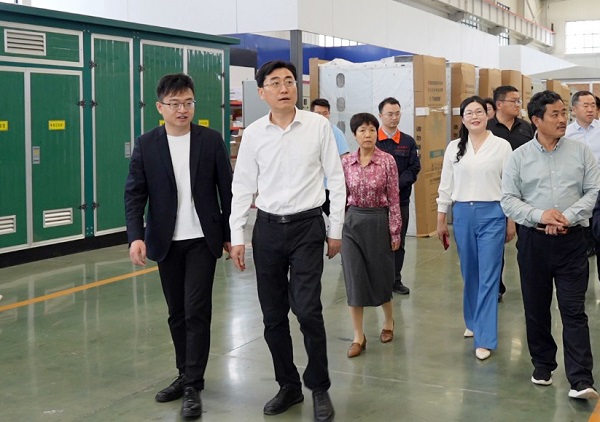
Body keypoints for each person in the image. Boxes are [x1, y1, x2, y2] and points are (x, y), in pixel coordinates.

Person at [229, 60, 345, 422]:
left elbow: (336, 179)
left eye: (290, 81)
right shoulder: (253, 134)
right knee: (273, 315)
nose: (284, 88)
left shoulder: (317, 126)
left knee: (308, 310)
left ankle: (319, 387)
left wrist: (335, 229)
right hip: (266, 230)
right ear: (262, 92)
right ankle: (288, 386)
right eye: (276, 83)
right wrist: (236, 236)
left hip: (307, 227)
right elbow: (242, 187)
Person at [124, 73, 233, 418]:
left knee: (196, 310)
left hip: (202, 238)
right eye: (174, 104)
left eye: (188, 102)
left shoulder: (210, 140)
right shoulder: (147, 144)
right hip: (165, 240)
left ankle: (192, 386)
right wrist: (135, 236)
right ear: (160, 107)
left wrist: (231, 234)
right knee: (177, 313)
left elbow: (227, 190)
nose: (182, 109)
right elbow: (134, 193)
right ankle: (184, 373)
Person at [501, 90, 600, 400]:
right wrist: (540, 215)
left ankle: (581, 379)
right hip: (534, 242)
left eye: (563, 113)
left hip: (573, 241)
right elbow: (508, 199)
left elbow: (593, 191)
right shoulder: (518, 157)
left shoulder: (581, 152)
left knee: (574, 310)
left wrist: (566, 216)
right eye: (554, 114)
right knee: (536, 308)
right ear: (536, 120)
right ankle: (543, 365)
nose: (562, 119)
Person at [436, 96, 513, 361]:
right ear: (463, 118)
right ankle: (472, 320)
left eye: (479, 111)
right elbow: (445, 185)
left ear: (488, 114)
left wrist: (510, 219)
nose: (475, 116)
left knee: (489, 275)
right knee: (470, 272)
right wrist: (441, 218)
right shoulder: (454, 148)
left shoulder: (502, 146)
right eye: (469, 113)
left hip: (493, 213)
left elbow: (509, 186)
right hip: (462, 214)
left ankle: (485, 337)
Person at [341, 112, 401, 359]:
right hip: (352, 222)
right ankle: (359, 336)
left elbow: (394, 198)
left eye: (372, 130)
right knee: (354, 277)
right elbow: (340, 197)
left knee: (381, 275)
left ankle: (388, 321)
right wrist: (335, 228)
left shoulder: (387, 161)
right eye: (362, 130)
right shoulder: (346, 162)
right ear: (354, 135)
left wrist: (395, 230)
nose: (368, 135)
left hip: (378, 220)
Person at [487, 85, 534, 301]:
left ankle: (531, 286)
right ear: (499, 104)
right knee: (495, 246)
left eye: (519, 101)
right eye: (514, 101)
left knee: (527, 244)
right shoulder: (487, 129)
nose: (518, 105)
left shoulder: (527, 128)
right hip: (496, 194)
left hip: (526, 195)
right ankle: (495, 287)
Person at [377, 97, 421, 295]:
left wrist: (394, 186)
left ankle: (395, 280)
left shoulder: (408, 142)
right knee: (377, 242)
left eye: (397, 114)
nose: (394, 118)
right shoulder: (373, 140)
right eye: (390, 114)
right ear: (381, 116)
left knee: (398, 241)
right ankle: (378, 280)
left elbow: (414, 168)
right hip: (377, 203)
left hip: (400, 201)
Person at [566, 90, 600, 259]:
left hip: (599, 188)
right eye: (585, 105)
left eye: (593, 105)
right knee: (581, 233)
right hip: (577, 190)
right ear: (574, 109)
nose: (590, 109)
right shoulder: (566, 134)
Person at [310, 98, 350, 216]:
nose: (322, 117)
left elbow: (345, 159)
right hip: (311, 187)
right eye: (318, 113)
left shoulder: (336, 133)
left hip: (329, 187)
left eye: (325, 113)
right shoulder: (306, 132)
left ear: (329, 114)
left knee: (334, 218)